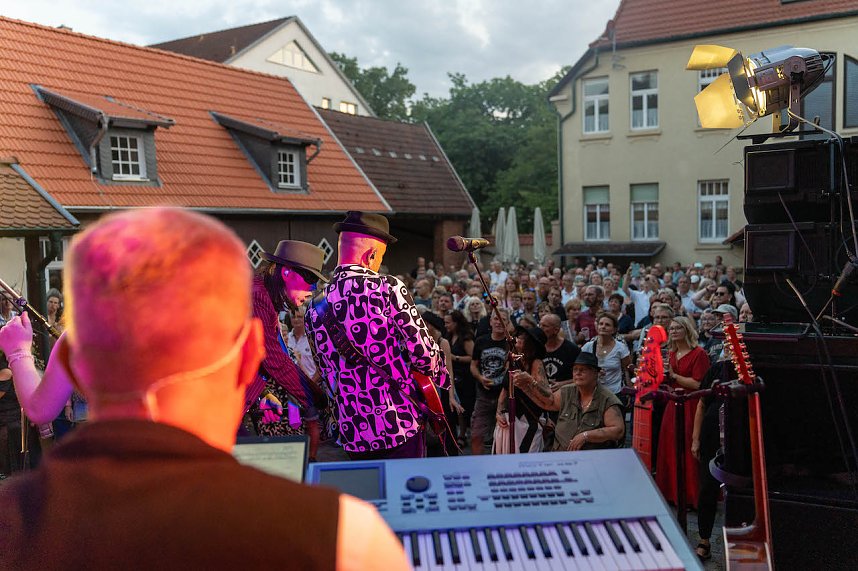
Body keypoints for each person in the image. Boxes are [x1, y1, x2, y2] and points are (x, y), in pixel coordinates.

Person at [0, 207, 408, 569]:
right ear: (249, 355)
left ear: (77, 359)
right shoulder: (343, 535)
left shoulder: (13, 525)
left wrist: (19, 351)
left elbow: (39, 409)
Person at [305, 211, 449, 460]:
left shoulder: (314, 308)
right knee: (407, 495)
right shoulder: (387, 288)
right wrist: (439, 376)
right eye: (380, 257)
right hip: (398, 423)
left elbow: (326, 374)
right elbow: (425, 355)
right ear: (371, 255)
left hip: (352, 431)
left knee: (369, 496)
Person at [245, 240, 327, 462]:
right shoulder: (257, 297)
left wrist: (316, 399)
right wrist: (312, 403)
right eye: (309, 279)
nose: (312, 289)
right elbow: (274, 361)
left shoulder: (265, 296)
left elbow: (280, 359)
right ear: (287, 273)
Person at [511, 352, 624, 451]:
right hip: (560, 455)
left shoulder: (607, 399)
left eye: (583, 370)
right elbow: (548, 403)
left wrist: (586, 436)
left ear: (595, 373)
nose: (577, 373)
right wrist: (527, 387)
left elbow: (617, 430)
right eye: (575, 369)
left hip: (591, 459)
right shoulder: (567, 391)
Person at [655, 316, 710, 508]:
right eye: (671, 328)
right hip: (673, 404)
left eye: (678, 328)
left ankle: (691, 496)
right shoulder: (671, 354)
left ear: (687, 330)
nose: (674, 331)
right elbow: (669, 381)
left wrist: (674, 376)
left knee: (688, 447)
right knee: (670, 445)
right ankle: (670, 493)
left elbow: (698, 384)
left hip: (692, 405)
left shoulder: (699, 353)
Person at [494, 326, 547, 454]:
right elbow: (505, 389)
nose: (518, 339)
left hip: (529, 421)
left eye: (523, 337)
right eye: (518, 336)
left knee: (526, 463)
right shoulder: (513, 359)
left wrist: (530, 380)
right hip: (508, 419)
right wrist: (498, 412)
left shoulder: (536, 363)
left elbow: (547, 395)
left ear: (531, 344)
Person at [469, 307, 512, 455]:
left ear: (507, 323)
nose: (499, 322)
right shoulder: (481, 340)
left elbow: (511, 369)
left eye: (503, 319)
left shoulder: (511, 343)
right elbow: (473, 365)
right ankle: (477, 467)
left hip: (505, 396)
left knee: (503, 438)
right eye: (496, 318)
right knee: (476, 434)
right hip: (483, 396)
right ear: (490, 321)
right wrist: (480, 378)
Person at [444, 310, 475, 448]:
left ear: (456, 323)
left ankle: (463, 434)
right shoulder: (448, 336)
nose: (446, 325)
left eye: (448, 322)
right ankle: (458, 432)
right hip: (453, 375)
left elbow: (473, 357)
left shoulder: (466, 338)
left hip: (465, 376)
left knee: (463, 406)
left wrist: (455, 358)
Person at [581, 312, 631, 396]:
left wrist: (630, 391)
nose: (603, 327)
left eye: (607, 325)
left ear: (614, 329)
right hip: (593, 392)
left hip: (615, 393)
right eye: (601, 324)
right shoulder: (588, 347)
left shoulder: (621, 348)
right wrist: (594, 373)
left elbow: (627, 370)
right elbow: (580, 368)